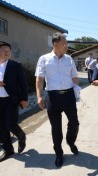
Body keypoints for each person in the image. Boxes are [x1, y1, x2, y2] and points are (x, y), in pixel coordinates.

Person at [35, 33, 80, 167]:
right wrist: (38, 96)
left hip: (68, 96)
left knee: (74, 123)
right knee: (56, 128)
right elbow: (39, 79)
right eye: (64, 43)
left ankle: (70, 141)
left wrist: (77, 91)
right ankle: (59, 153)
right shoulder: (44, 59)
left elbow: (74, 77)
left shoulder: (69, 59)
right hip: (53, 97)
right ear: (55, 44)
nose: (67, 46)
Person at [0, 41, 28, 163]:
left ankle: (21, 136)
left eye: (8, 50)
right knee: (1, 127)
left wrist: (24, 99)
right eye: (4, 50)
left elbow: (23, 83)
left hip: (11, 100)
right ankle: (8, 150)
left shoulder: (16, 65)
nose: (7, 52)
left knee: (10, 124)